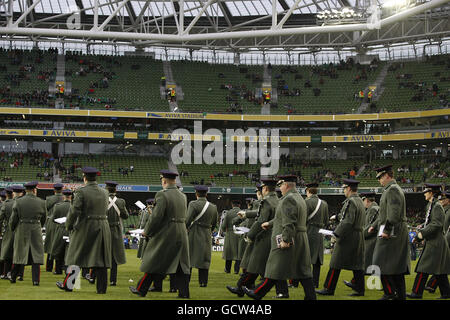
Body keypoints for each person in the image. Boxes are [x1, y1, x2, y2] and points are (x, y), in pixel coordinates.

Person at [244, 175, 316, 300]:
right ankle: (311, 297)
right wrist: (270, 223)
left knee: (275, 267)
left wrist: (286, 240)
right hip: (300, 238)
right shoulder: (299, 198)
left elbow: (289, 222)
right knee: (303, 270)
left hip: (289, 238)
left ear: (286, 185)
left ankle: (257, 293)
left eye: (281, 185)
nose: (280, 188)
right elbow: (284, 217)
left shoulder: (288, 199)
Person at [129, 170, 190, 299]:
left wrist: (147, 231)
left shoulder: (162, 195)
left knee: (154, 260)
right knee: (181, 265)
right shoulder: (182, 196)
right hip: (181, 231)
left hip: (167, 232)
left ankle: (141, 289)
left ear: (164, 181)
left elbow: (156, 217)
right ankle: (184, 293)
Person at [56, 167, 112, 294]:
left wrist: (69, 226)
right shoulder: (104, 192)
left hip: (85, 226)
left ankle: (69, 285)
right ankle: (102, 289)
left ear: (84, 177)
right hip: (103, 225)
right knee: (101, 258)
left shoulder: (81, 192)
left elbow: (74, 211)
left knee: (76, 255)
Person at [226, 178, 279, 298]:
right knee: (259, 266)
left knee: (255, 265)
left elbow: (261, 219)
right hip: (272, 235)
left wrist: (250, 235)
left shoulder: (266, 201)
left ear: (265, 188)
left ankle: (243, 288)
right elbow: (261, 213)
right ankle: (242, 288)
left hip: (263, 236)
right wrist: (246, 213)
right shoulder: (277, 200)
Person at [316, 179, 365, 297]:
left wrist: (336, 233)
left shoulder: (351, 202)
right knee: (357, 265)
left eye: (344, 188)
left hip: (349, 236)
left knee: (335, 263)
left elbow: (348, 221)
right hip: (357, 235)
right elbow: (348, 217)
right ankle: (360, 289)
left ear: (348, 188)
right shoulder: (359, 200)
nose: (343, 190)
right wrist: (337, 217)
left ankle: (329, 288)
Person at [370, 164, 410, 300]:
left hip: (392, 232)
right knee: (396, 268)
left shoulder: (392, 190)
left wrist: (386, 230)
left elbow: (393, 215)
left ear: (387, 175)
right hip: (394, 231)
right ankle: (399, 295)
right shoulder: (391, 189)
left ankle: (389, 293)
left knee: (379, 263)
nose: (379, 180)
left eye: (380, 177)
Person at [407, 184, 450, 299]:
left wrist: (421, 234)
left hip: (435, 242)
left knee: (423, 267)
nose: (424, 193)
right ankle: (446, 293)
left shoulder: (436, 206)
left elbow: (436, 224)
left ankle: (416, 293)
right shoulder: (432, 205)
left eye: (426, 191)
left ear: (431, 192)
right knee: (439, 271)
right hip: (435, 241)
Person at [9, 181, 46, 286]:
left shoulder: (19, 202)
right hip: (36, 229)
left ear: (25, 190)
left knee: (19, 254)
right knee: (36, 256)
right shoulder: (41, 202)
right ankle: (35, 280)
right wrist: (38, 226)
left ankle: (13, 277)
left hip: (22, 228)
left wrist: (13, 228)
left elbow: (13, 219)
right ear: (35, 190)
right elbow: (44, 218)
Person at [344, 192, 379, 290]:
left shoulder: (373, 210)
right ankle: (355, 282)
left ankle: (355, 283)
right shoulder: (374, 208)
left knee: (363, 263)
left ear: (366, 200)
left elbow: (370, 227)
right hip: (372, 240)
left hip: (370, 241)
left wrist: (360, 235)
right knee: (370, 264)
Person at [97, 181, 129, 286]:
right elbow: (125, 216)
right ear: (115, 190)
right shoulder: (121, 201)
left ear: (106, 189)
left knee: (101, 254)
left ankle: (96, 278)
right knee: (114, 256)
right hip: (116, 230)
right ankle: (113, 280)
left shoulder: (102, 200)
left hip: (104, 228)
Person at [186, 185, 218, 287]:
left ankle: (186, 280)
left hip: (194, 233)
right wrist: (208, 230)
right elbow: (214, 222)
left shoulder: (193, 204)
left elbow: (187, 220)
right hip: (206, 234)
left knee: (189, 258)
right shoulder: (213, 207)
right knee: (205, 259)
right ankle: (203, 282)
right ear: (206, 194)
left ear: (196, 194)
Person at [304, 182, 329, 289]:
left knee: (303, 258)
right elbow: (326, 221)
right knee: (317, 260)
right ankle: (315, 283)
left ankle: (297, 282)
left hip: (308, 231)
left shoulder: (306, 202)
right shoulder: (324, 203)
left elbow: (302, 219)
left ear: (308, 191)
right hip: (320, 233)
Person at [426, 190, 450, 293]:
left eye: (443, 199)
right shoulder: (443, 210)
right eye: (440, 199)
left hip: (447, 240)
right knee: (441, 265)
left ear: (448, 200)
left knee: (441, 265)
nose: (441, 200)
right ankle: (432, 286)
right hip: (444, 240)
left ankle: (431, 286)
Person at [48, 189, 72, 275]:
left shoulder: (58, 206)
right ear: (71, 197)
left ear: (63, 196)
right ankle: (67, 269)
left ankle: (58, 269)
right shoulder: (73, 206)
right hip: (72, 230)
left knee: (59, 249)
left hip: (61, 229)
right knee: (69, 251)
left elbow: (53, 219)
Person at [43, 183, 64, 273]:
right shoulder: (65, 198)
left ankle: (49, 267)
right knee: (61, 245)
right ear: (62, 190)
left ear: (54, 190)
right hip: (63, 223)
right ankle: (60, 266)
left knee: (50, 245)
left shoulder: (49, 199)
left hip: (51, 223)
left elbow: (45, 211)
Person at [221, 199, 242, 274]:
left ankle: (227, 269)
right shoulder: (242, 213)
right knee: (238, 253)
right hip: (240, 234)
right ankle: (236, 270)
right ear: (239, 205)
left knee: (229, 253)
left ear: (232, 205)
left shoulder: (228, 213)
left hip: (230, 234)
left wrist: (223, 230)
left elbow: (223, 226)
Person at [0, 187, 15, 279]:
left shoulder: (5, 204)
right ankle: (15, 273)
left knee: (6, 252)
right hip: (17, 229)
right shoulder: (17, 202)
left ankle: (5, 273)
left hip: (7, 230)